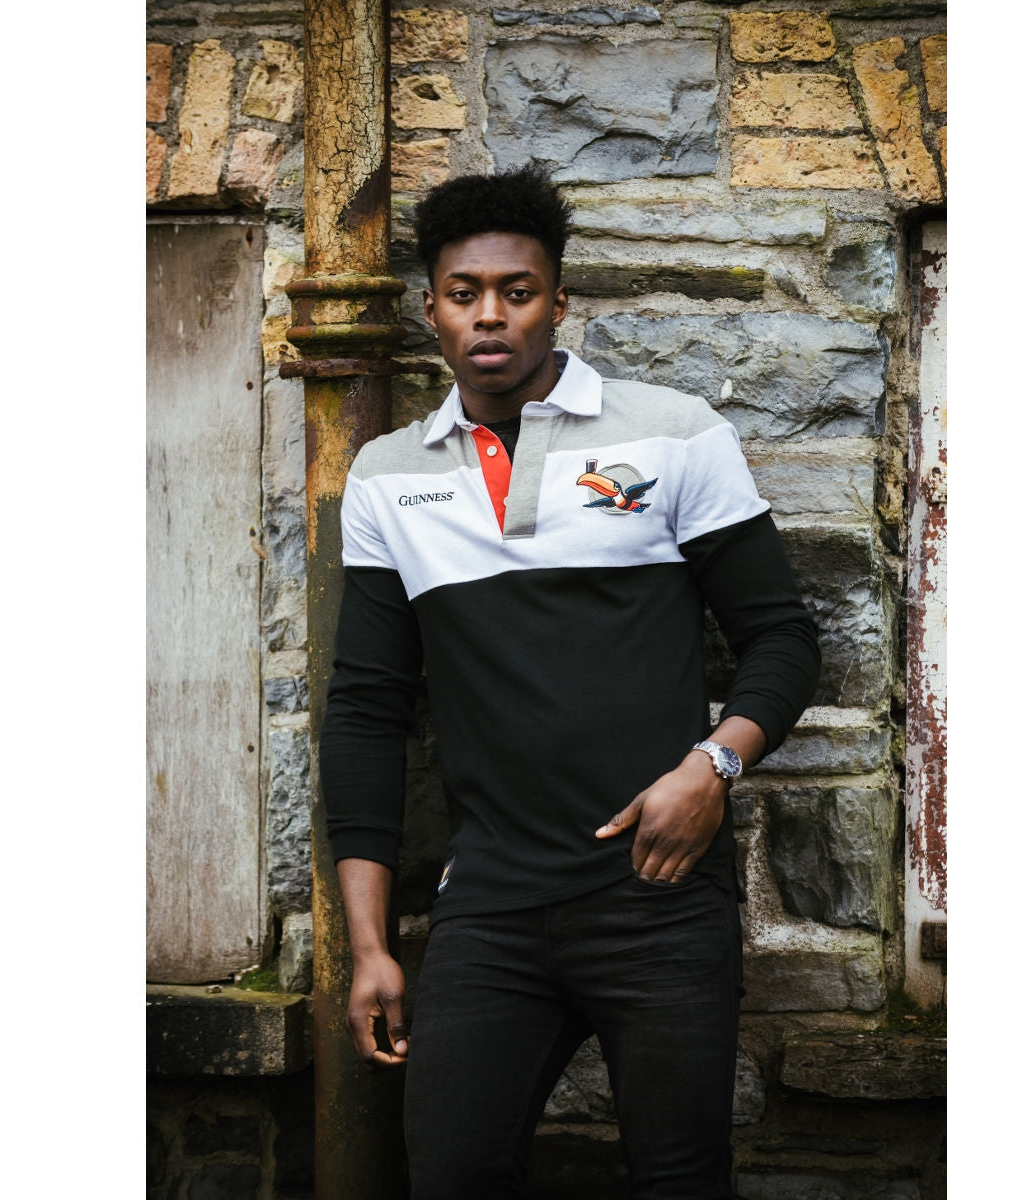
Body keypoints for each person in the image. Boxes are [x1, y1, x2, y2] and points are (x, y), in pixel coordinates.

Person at [320, 162, 821, 1200]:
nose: (490, 317)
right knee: (453, 1173)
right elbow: (369, 712)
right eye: (465, 294)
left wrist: (710, 770)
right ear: (431, 311)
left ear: (559, 301)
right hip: (492, 910)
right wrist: (370, 948)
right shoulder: (386, 476)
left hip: (660, 899)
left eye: (518, 291)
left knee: (680, 1179)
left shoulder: (674, 433)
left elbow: (780, 639)